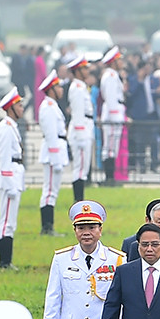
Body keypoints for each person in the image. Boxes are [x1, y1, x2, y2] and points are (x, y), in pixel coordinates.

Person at [0, 88, 26, 268]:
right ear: (11, 108)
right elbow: (4, 157)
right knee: (6, 221)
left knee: (10, 221)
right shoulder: (5, 127)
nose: (22, 109)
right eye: (19, 105)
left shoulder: (11, 126)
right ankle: (4, 261)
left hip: (15, 175)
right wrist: (9, 182)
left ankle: (7, 260)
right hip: (9, 178)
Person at [35, 70, 69, 235]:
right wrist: (56, 157)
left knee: (52, 191)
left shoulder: (52, 106)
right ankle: (46, 227)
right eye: (59, 87)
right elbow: (50, 134)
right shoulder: (48, 107)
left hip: (56, 151)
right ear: (51, 89)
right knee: (49, 191)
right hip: (51, 152)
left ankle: (49, 226)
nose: (61, 90)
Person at [65, 56, 96, 206]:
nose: (87, 71)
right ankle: (78, 200)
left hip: (85, 126)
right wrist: (81, 134)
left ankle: (79, 199)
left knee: (82, 167)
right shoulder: (77, 88)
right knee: (80, 167)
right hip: (81, 130)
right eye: (84, 68)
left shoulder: (81, 86)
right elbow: (77, 113)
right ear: (77, 71)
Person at [98, 46, 126, 184]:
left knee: (113, 146)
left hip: (116, 111)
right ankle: (108, 177)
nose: (121, 62)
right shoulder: (110, 76)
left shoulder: (113, 75)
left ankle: (111, 177)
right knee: (109, 147)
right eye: (119, 59)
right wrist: (115, 116)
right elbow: (110, 98)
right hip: (112, 114)